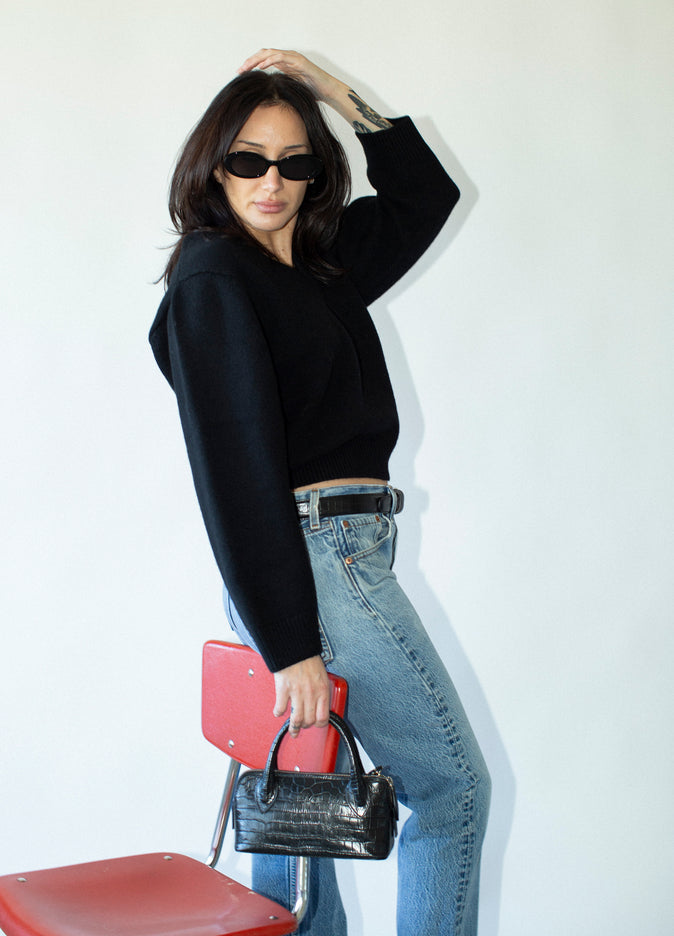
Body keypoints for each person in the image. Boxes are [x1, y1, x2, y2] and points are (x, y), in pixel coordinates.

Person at [149, 49, 490, 936]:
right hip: (313, 561)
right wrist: (290, 639)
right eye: (248, 159)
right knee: (450, 788)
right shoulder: (214, 275)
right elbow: (232, 469)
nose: (273, 181)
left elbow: (425, 199)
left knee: (298, 814)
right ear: (211, 165)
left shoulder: (318, 270)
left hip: (326, 558)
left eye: (296, 160)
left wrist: (338, 94)